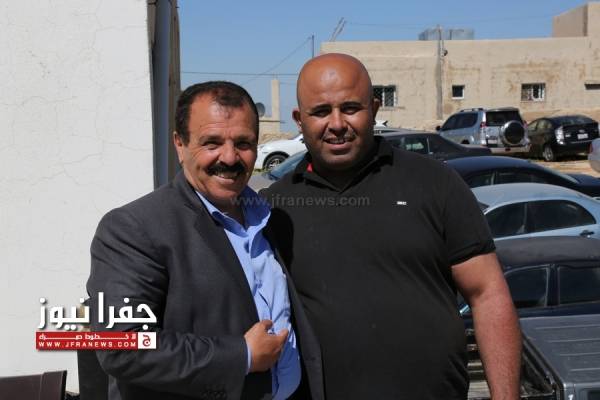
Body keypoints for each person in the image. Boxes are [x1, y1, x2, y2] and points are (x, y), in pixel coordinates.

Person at [263, 54, 521, 399]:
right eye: (321, 111)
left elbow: (487, 294)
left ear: (374, 108)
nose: (336, 124)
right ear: (299, 119)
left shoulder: (435, 183)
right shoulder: (273, 209)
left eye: (350, 108)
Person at [87, 81, 323, 400]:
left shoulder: (268, 215)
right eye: (212, 142)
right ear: (180, 144)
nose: (229, 157)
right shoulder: (133, 228)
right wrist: (242, 355)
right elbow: (121, 346)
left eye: (243, 143)